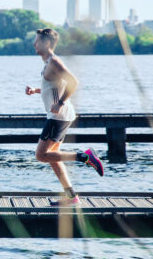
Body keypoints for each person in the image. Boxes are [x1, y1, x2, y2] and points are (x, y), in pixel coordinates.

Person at [25, 28, 103, 206]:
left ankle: (85, 157)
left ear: (46, 43)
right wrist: (35, 91)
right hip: (59, 116)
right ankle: (71, 196)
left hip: (58, 117)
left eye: (36, 41)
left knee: (41, 155)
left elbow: (73, 82)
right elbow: (54, 86)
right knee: (53, 157)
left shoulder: (54, 62)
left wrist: (60, 103)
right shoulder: (48, 64)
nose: (34, 44)